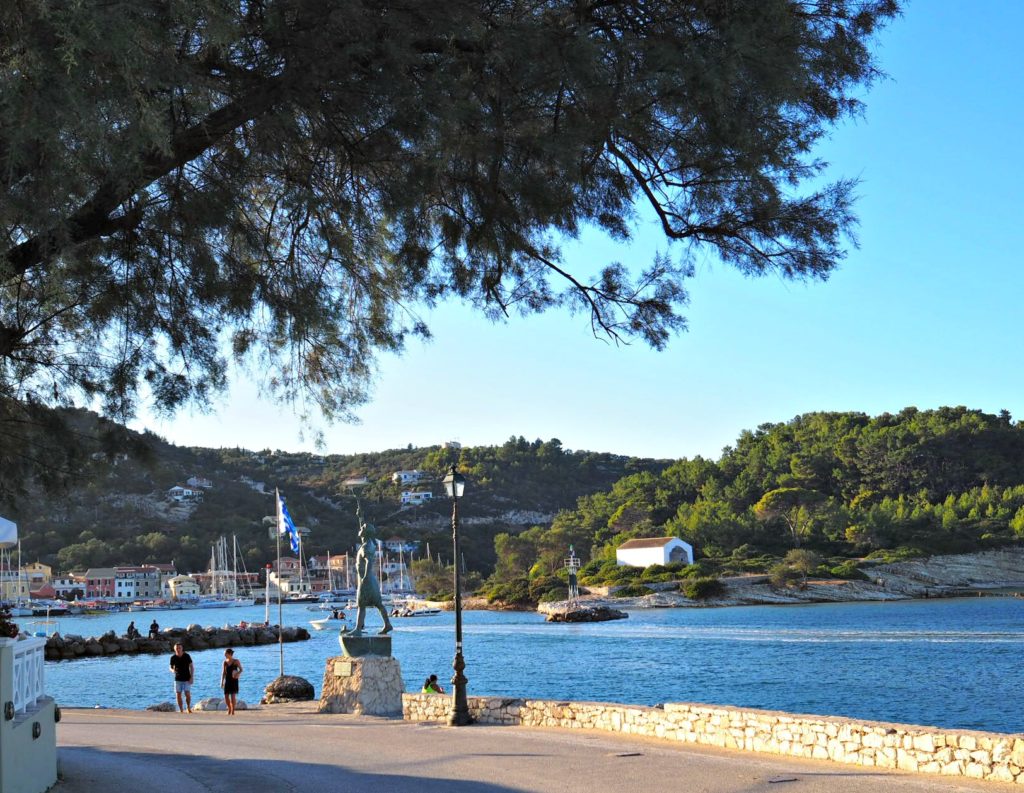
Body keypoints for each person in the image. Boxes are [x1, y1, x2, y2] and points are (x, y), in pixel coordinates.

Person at [341, 514, 393, 636]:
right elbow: (363, 527)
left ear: (365, 533)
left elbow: (369, 562)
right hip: (370, 580)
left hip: (366, 580)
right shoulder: (368, 544)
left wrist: (364, 578)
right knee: (378, 604)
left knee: (361, 605)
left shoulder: (366, 547)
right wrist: (360, 516)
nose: (359, 530)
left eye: (362, 529)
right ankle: (387, 624)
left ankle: (358, 629)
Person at [169, 642, 194, 713]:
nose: (178, 649)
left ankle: (188, 707)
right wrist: (172, 670)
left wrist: (192, 677)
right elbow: (170, 667)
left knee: (187, 694)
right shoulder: (173, 657)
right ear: (174, 649)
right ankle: (181, 710)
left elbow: (191, 667)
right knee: (178, 695)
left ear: (182, 648)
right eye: (177, 648)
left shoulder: (187, 656)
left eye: (179, 648)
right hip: (177, 679)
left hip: (187, 678)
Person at [220, 648, 243, 716]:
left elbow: (241, 670)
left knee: (233, 696)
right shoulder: (224, 662)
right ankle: (229, 708)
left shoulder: (236, 661)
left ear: (230, 654)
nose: (224, 655)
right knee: (226, 696)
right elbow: (223, 673)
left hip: (234, 680)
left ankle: (233, 710)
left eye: (225, 654)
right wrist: (221, 682)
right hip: (227, 680)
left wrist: (236, 673)